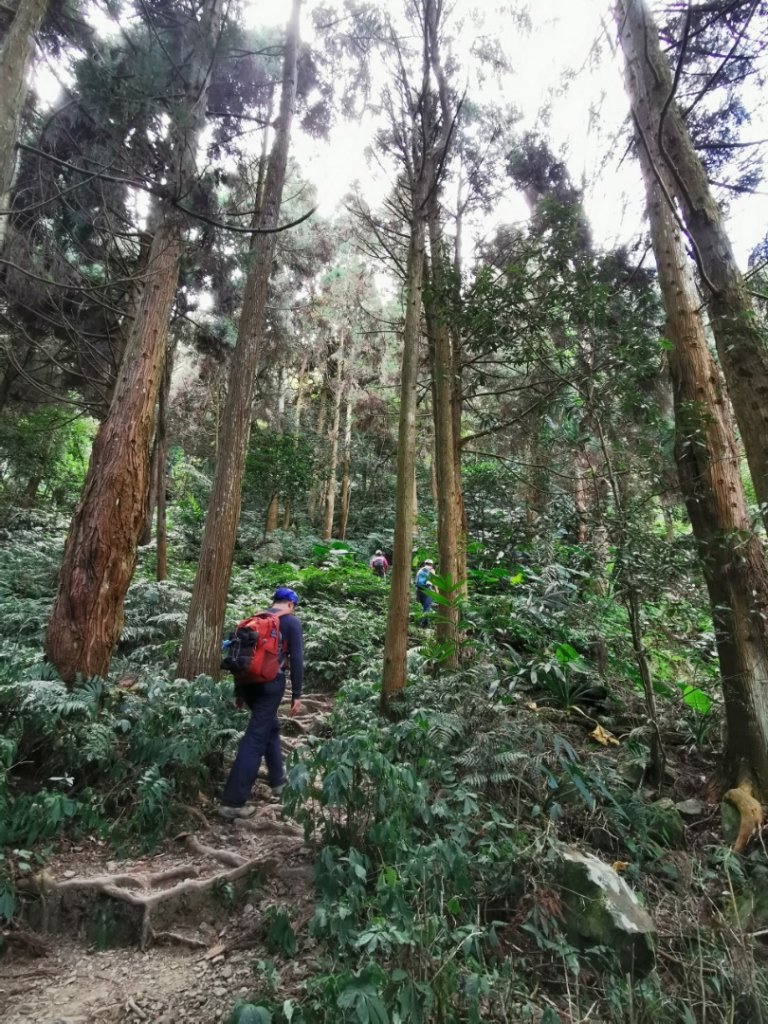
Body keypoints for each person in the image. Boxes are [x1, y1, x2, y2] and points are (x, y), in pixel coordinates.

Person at [218, 587, 303, 820]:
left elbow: (241, 655)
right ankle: (233, 802)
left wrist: (239, 691)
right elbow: (296, 658)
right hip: (270, 685)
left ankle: (279, 782)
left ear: (275, 601)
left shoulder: (257, 619)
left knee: (270, 727)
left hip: (248, 683)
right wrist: (297, 694)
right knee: (256, 737)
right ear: (291, 604)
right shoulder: (291, 623)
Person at [415, 559, 436, 626]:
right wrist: (436, 592)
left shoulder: (420, 570)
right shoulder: (432, 570)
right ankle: (423, 623)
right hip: (427, 590)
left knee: (425, 607)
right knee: (427, 607)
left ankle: (425, 623)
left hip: (419, 590)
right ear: (431, 564)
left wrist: (416, 595)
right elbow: (433, 582)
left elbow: (416, 582)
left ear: (425, 563)